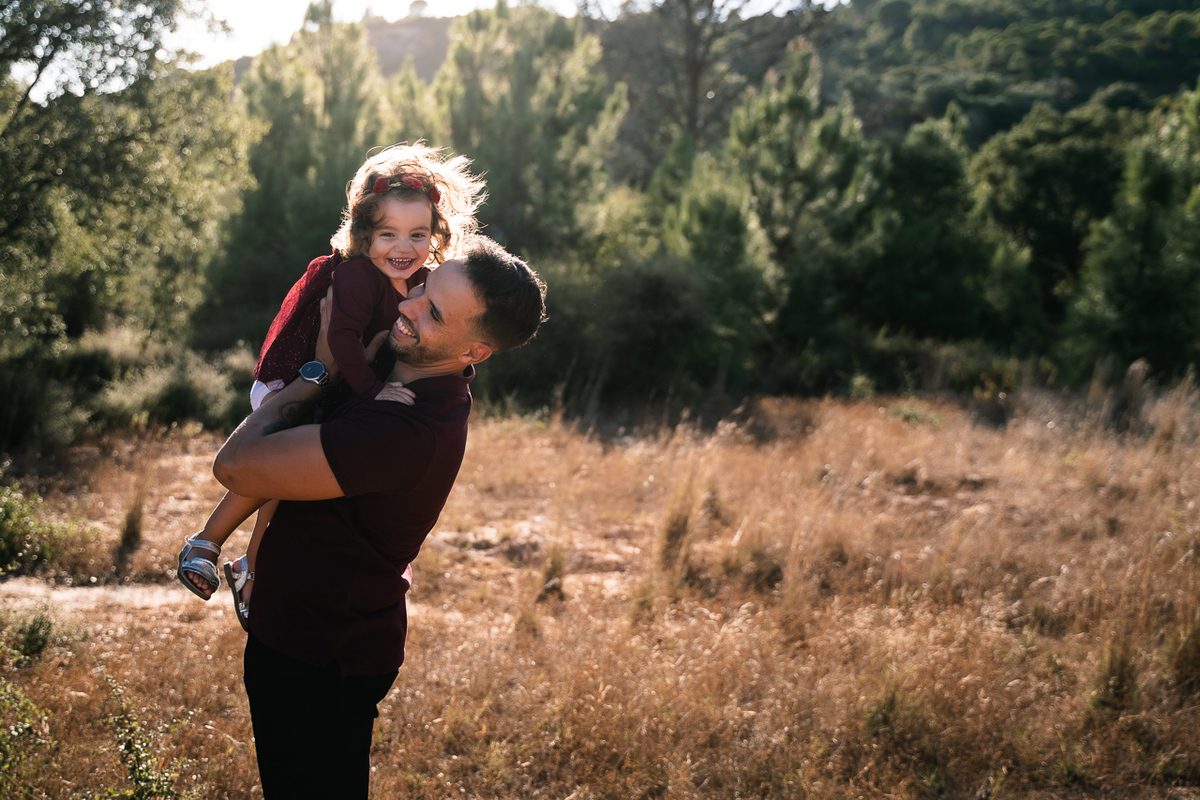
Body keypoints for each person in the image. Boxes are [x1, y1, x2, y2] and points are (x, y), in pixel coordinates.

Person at [211, 234, 546, 798]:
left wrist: (318, 365)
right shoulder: (400, 353)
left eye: (433, 312)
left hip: (317, 656)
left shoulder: (404, 433)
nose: (409, 306)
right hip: (305, 626)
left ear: (474, 352)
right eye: (422, 288)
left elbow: (238, 466)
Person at [176, 143, 485, 629]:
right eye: (388, 234)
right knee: (273, 476)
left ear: (435, 234)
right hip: (298, 378)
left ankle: (248, 567)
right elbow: (338, 339)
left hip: (339, 382)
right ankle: (207, 543)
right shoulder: (359, 275)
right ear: (363, 234)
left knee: (286, 488)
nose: (403, 248)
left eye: (417, 234)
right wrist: (371, 391)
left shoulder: (419, 278)